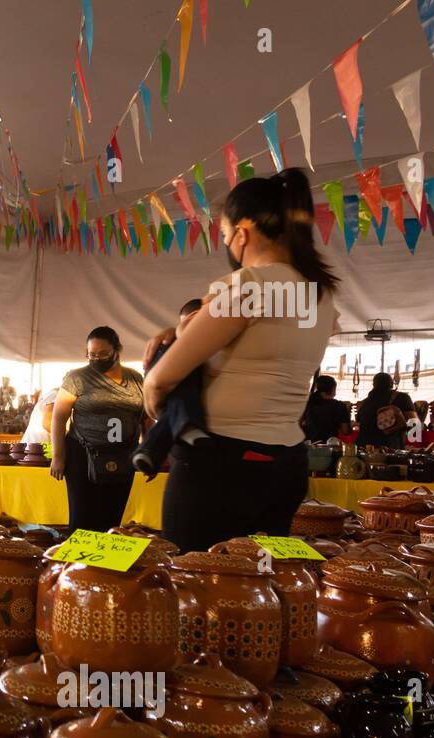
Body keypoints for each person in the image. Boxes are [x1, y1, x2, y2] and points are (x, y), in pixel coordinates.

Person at [143, 168, 340, 552]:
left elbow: (161, 380)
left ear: (243, 232)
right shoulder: (321, 295)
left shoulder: (250, 284)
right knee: (258, 588)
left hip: (221, 464)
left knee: (195, 582)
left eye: (225, 236)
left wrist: (157, 408)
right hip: (285, 463)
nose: (228, 245)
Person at [49, 327, 145, 532]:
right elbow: (58, 418)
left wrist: (149, 452)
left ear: (117, 350)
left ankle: (103, 564)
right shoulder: (77, 378)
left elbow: (144, 418)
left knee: (112, 519)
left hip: (123, 456)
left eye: (103, 354)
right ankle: (77, 564)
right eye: (91, 355)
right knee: (82, 519)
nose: (97, 359)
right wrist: (58, 456)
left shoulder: (136, 379)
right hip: (82, 455)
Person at [133, 298, 207, 479]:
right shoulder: (168, 343)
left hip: (195, 440)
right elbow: (154, 395)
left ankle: (152, 449)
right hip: (191, 442)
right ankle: (181, 427)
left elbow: (155, 393)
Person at [355, 372, 415, 449]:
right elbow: (414, 424)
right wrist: (401, 426)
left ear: (373, 385)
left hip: (363, 448)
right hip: (389, 449)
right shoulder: (402, 397)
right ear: (392, 384)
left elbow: (360, 424)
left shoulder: (363, 403)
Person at [302, 375, 350, 443]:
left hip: (309, 445)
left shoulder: (307, 404)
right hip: (330, 446)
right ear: (333, 388)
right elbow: (346, 431)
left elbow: (300, 424)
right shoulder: (339, 406)